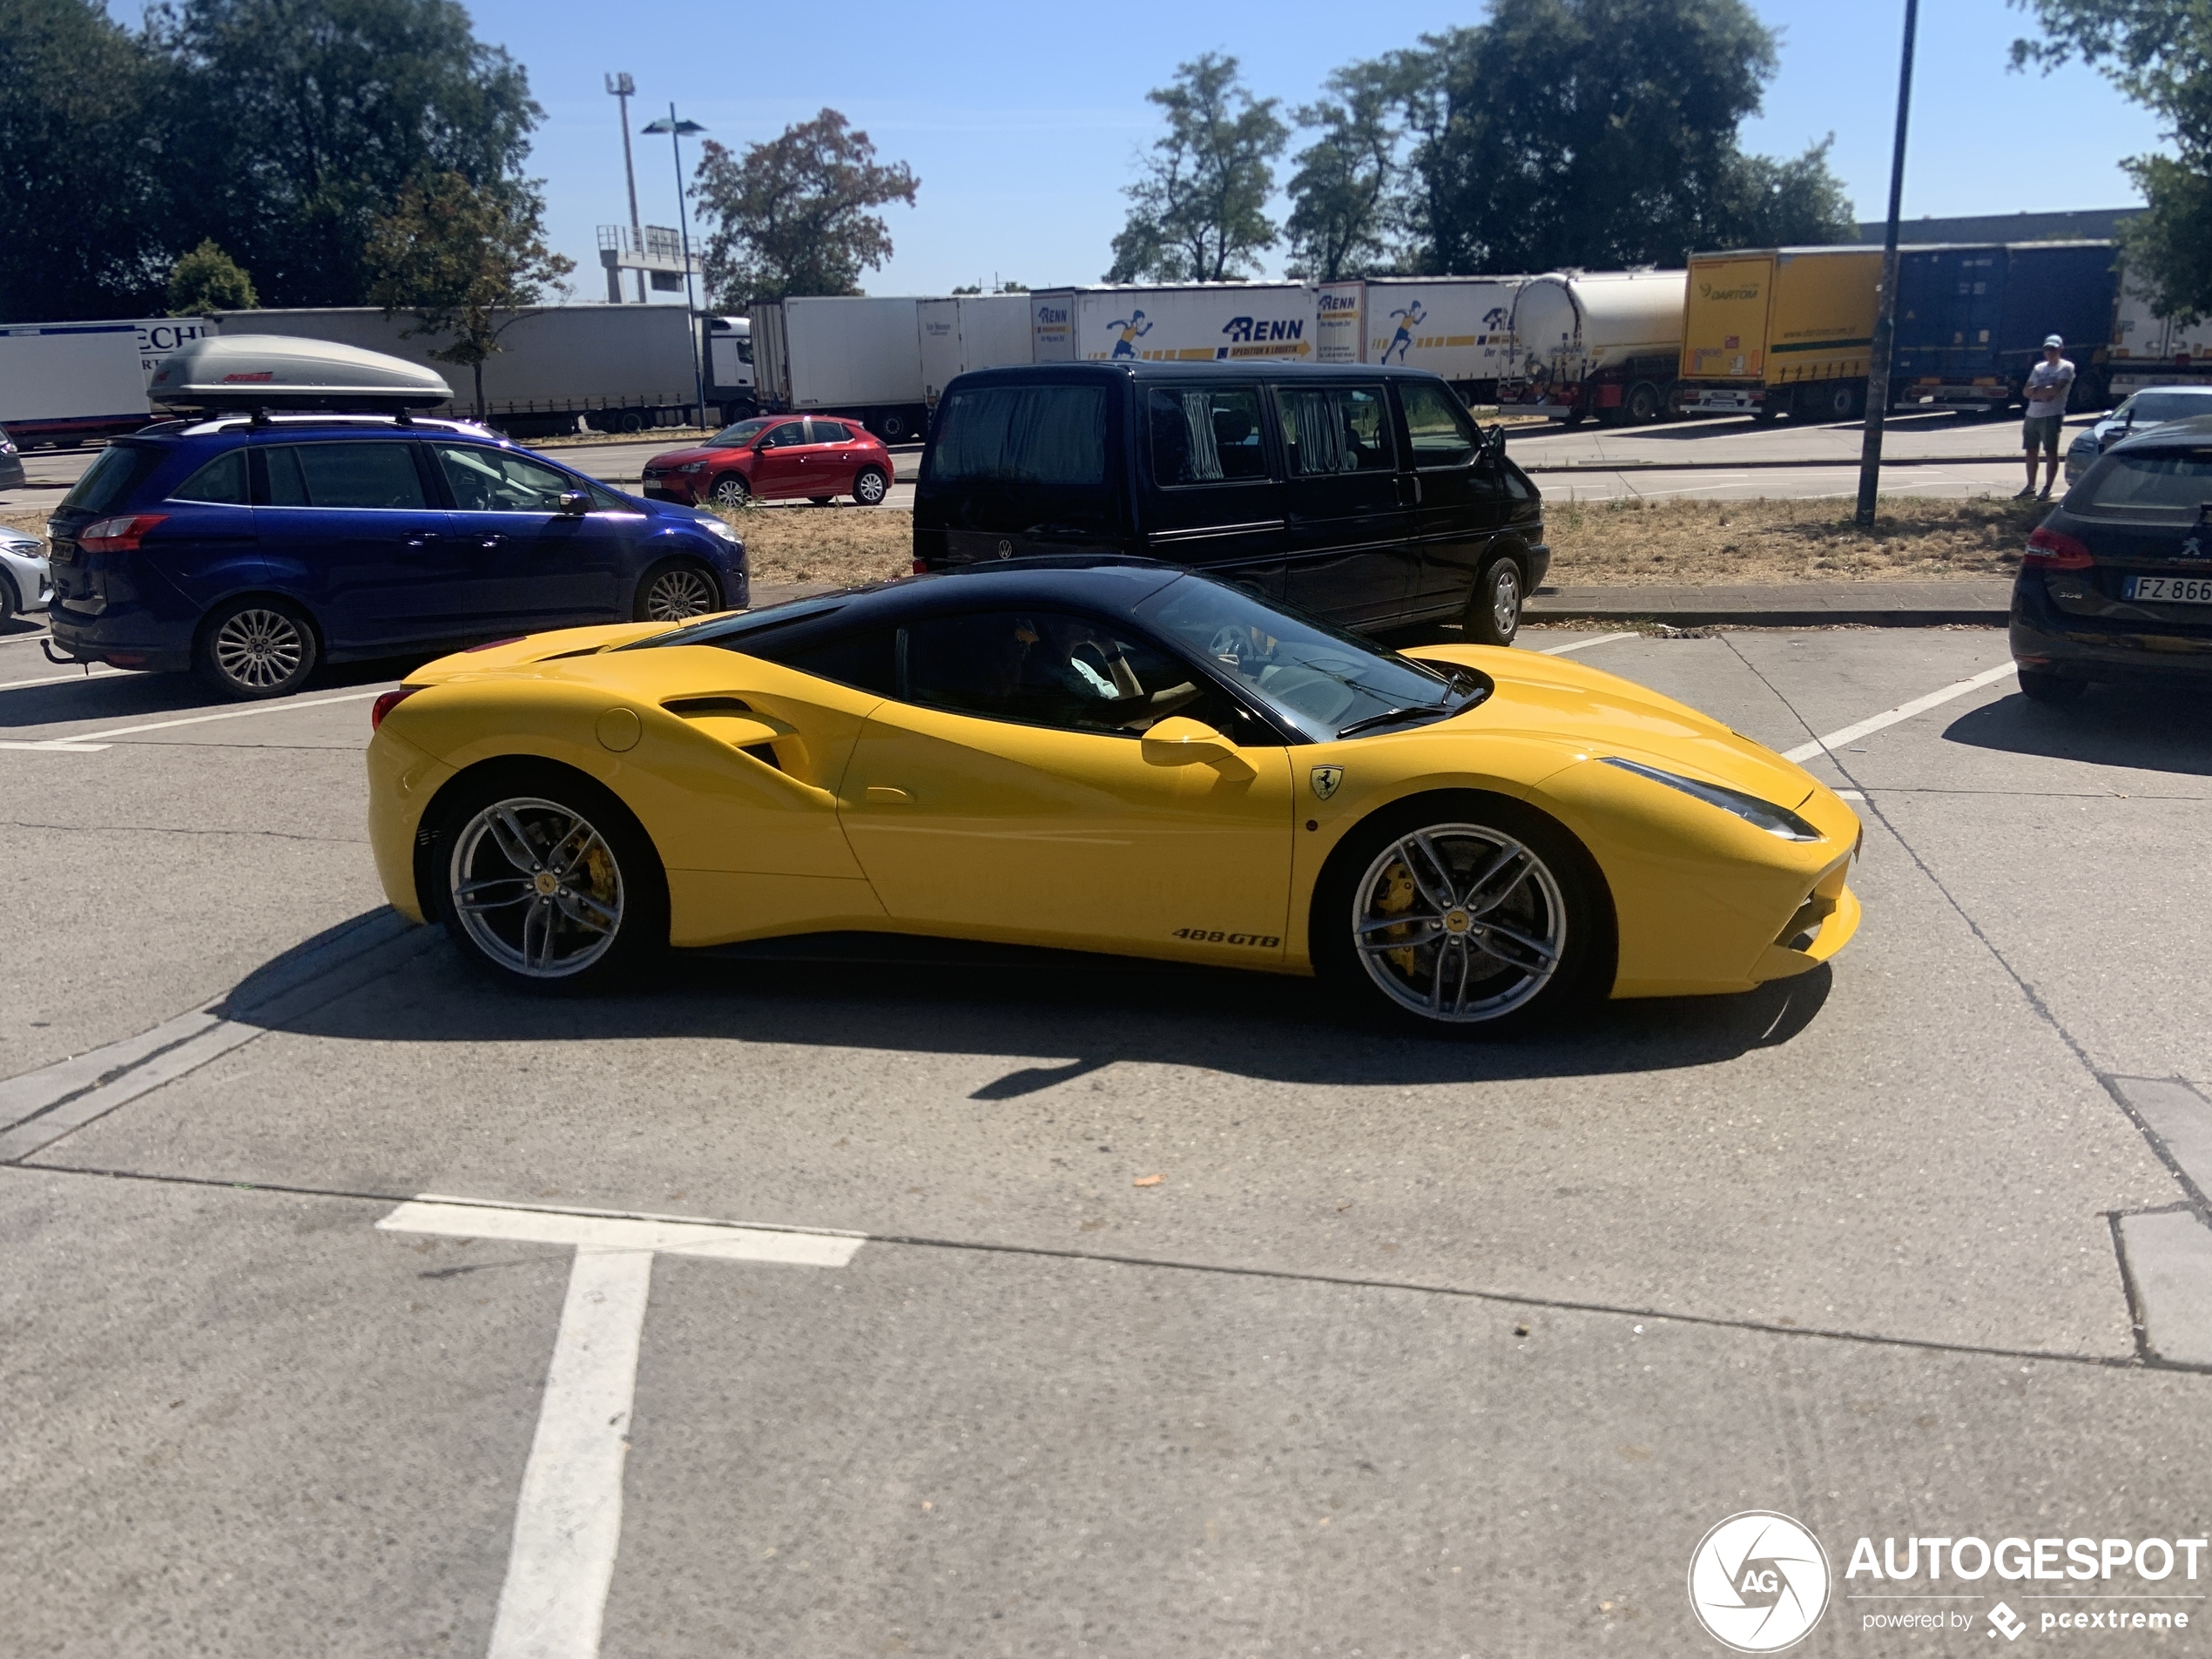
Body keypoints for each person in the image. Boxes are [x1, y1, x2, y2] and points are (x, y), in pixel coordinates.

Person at [2019, 334, 2075, 500]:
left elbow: (2054, 392)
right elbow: (2026, 391)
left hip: (2052, 415)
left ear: (2060, 349)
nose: (2050, 352)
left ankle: (2047, 487)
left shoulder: (2066, 367)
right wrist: (2039, 391)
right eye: (2047, 349)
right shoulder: (2039, 368)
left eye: (2053, 349)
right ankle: (2030, 486)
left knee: (2050, 451)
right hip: (2032, 414)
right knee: (2030, 450)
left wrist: (2038, 391)